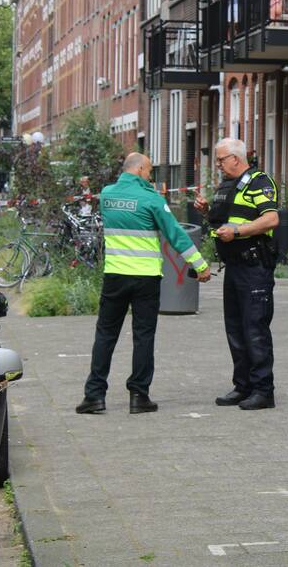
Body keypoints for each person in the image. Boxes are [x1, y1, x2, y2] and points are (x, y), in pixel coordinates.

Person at [76, 153, 211, 416]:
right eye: (149, 171)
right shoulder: (151, 199)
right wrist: (201, 266)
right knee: (143, 337)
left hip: (115, 276)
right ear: (138, 170)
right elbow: (176, 235)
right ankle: (139, 396)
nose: (151, 176)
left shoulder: (107, 196)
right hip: (146, 279)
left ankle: (94, 396)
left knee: (105, 335)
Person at [194, 138, 280, 410]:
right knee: (235, 328)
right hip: (233, 267)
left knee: (255, 328)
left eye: (220, 160)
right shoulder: (228, 186)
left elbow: (271, 219)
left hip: (253, 267)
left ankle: (263, 390)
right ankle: (242, 386)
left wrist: (238, 232)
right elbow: (225, 220)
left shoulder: (259, 181)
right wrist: (208, 211)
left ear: (235, 158)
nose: (218, 165)